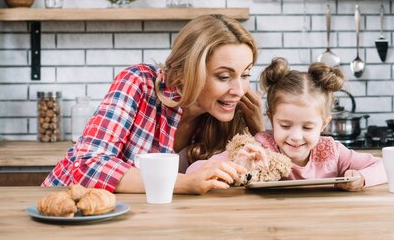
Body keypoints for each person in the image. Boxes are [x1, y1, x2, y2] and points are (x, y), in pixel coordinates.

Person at [43, 14, 265, 194]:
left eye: (245, 75)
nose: (239, 91)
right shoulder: (138, 82)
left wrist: (259, 131)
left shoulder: (225, 114)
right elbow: (86, 165)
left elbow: (261, 177)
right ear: (188, 72)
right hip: (67, 210)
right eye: (224, 77)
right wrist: (184, 183)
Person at [187, 57, 387, 191]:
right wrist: (235, 166)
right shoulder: (259, 147)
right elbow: (193, 171)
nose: (296, 136)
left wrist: (361, 177)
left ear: (324, 124)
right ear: (271, 117)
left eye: (307, 127)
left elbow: (385, 167)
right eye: (284, 125)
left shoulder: (332, 151)